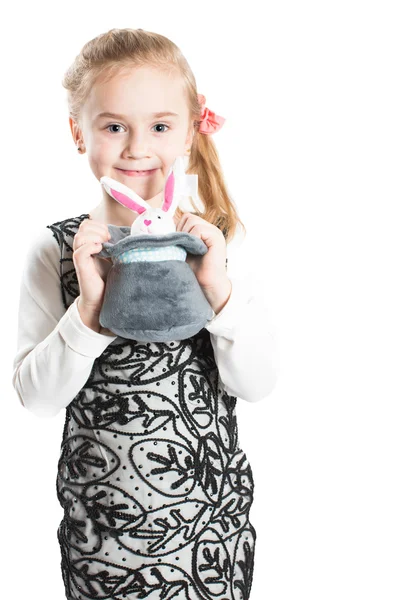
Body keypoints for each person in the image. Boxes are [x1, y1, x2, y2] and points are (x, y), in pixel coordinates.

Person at [12, 27, 279, 600]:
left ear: (189, 132)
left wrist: (216, 288)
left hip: (211, 537)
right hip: (102, 537)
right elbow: (35, 398)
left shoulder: (216, 242)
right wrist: (88, 310)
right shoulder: (58, 249)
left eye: (159, 126)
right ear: (78, 133)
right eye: (113, 126)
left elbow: (257, 384)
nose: (137, 148)